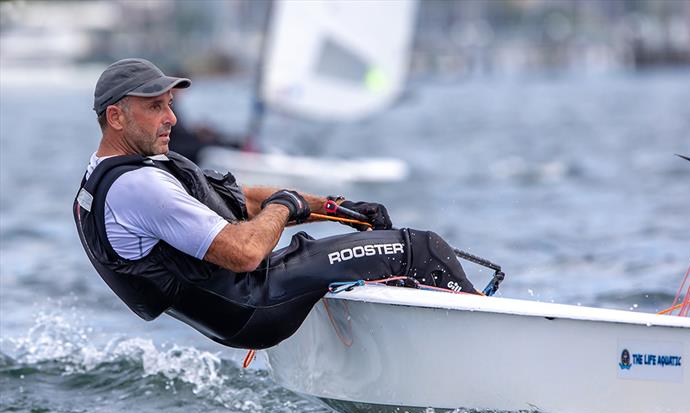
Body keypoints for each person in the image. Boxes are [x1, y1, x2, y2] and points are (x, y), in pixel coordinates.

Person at [74, 58, 477, 350]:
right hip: (257, 303)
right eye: (155, 107)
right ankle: (484, 340)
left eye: (170, 105)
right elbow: (246, 252)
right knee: (420, 249)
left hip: (243, 307)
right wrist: (284, 206)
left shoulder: (109, 175)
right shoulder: (141, 187)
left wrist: (337, 209)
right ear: (116, 117)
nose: (172, 119)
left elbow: (242, 199)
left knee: (382, 255)